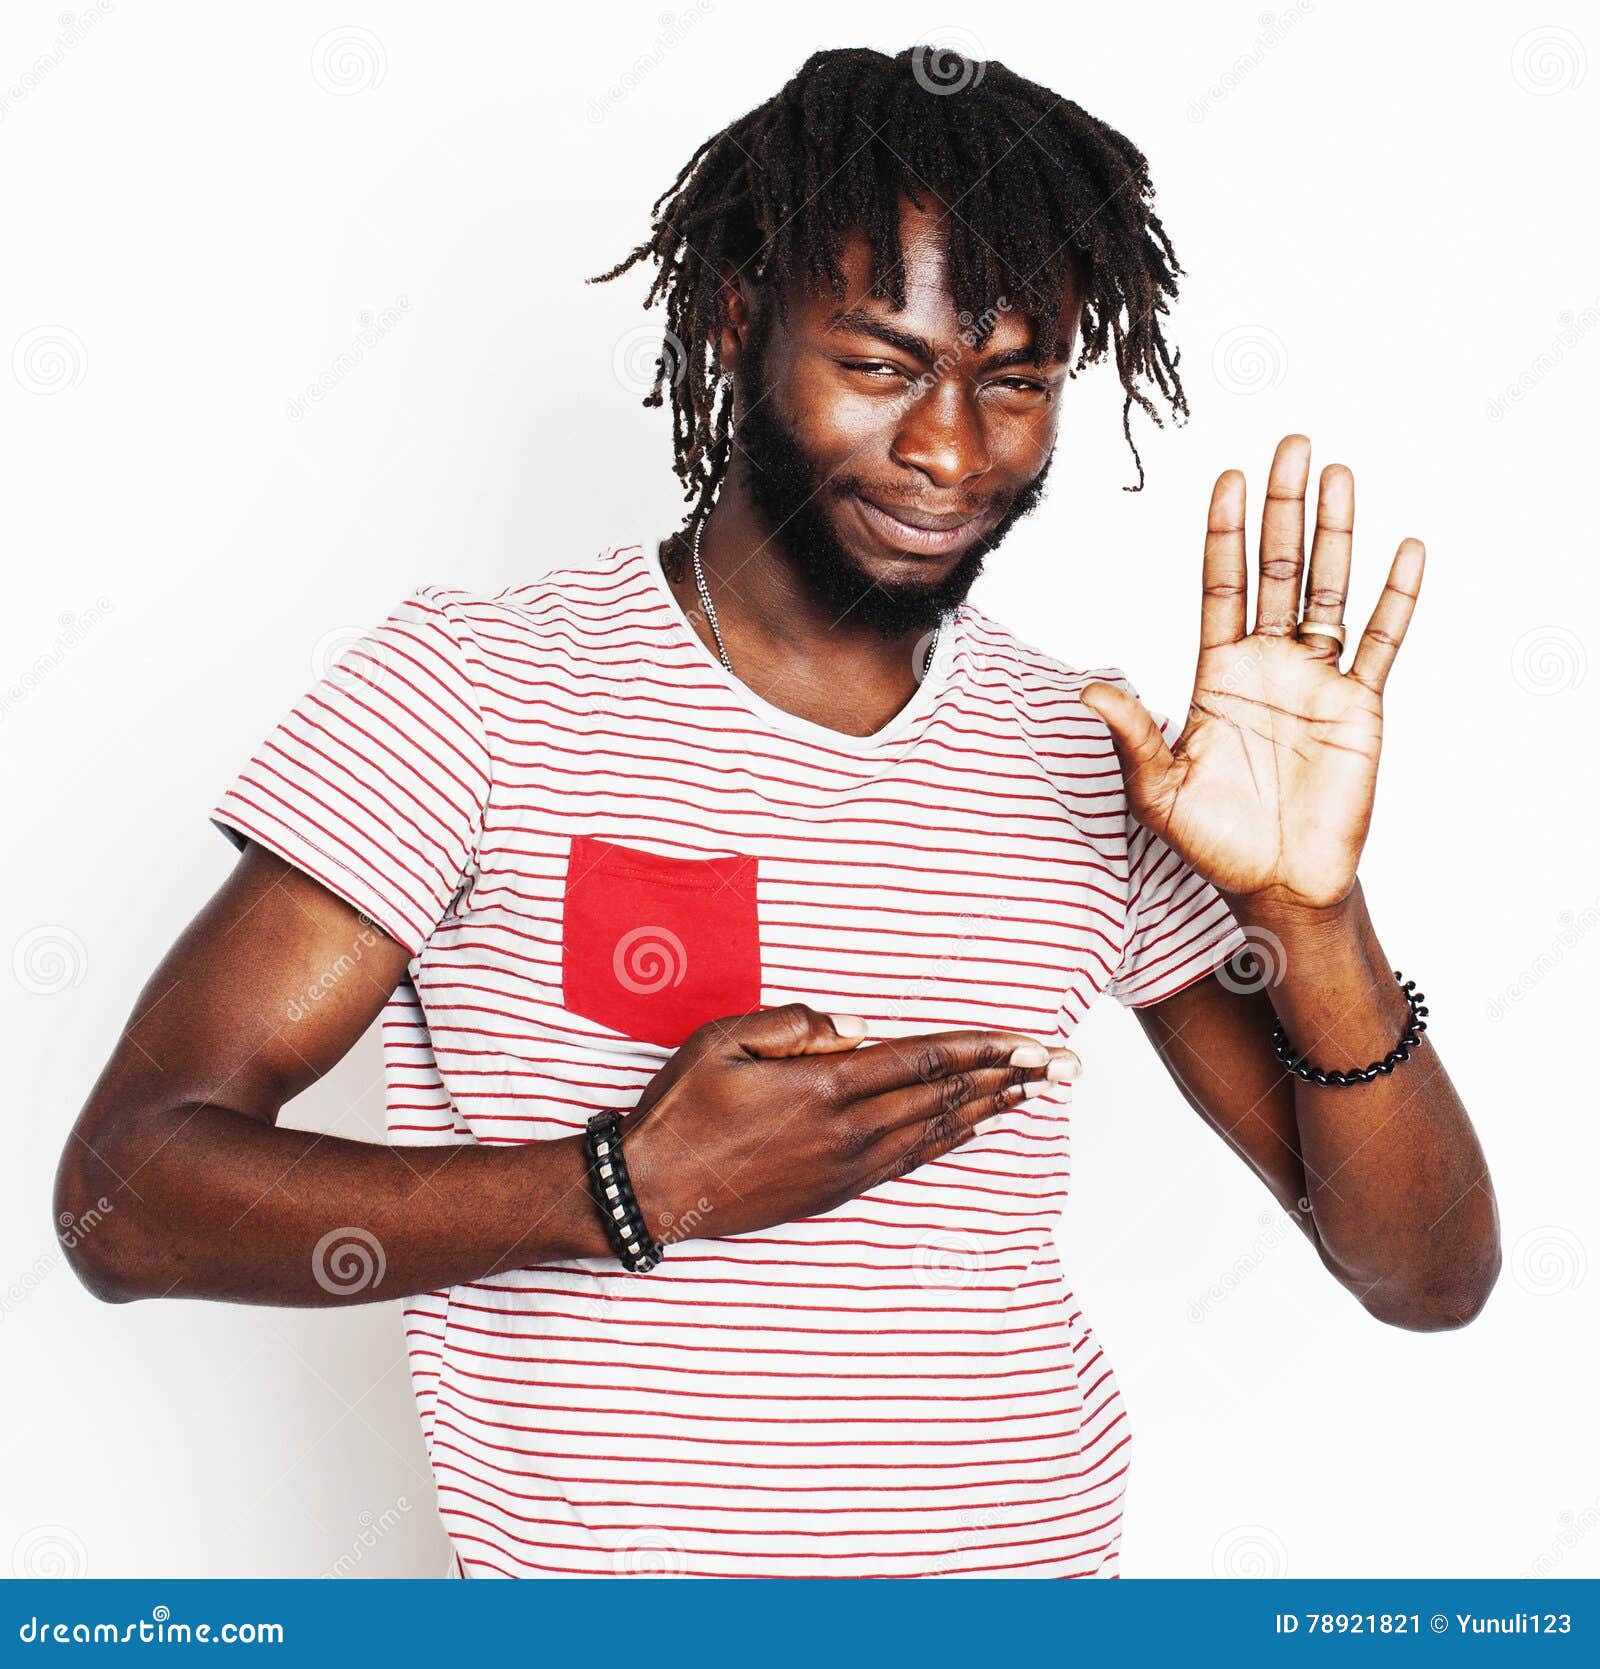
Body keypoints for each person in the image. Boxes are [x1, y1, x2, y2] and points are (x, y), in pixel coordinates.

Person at [55, 45, 1499, 1579]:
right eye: (881, 364)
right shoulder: (471, 692)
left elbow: (1425, 1273)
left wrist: (1310, 917)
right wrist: (625, 1182)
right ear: (739, 318)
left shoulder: (1100, 754)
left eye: (1013, 381)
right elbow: (128, 1194)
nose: (951, 450)